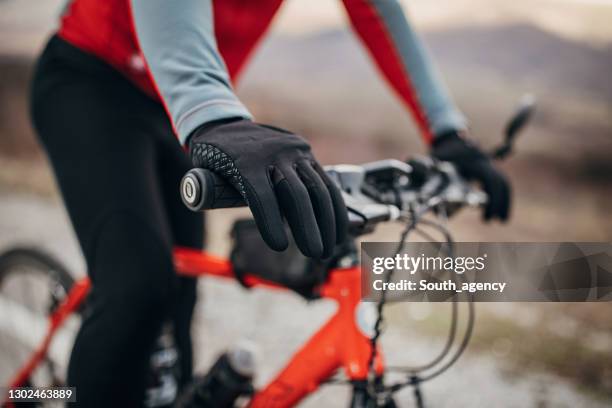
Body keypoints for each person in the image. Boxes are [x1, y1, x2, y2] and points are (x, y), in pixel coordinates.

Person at [30, 0, 510, 405]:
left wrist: (446, 129)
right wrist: (212, 113)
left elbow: (377, 10)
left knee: (178, 296)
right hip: (92, 82)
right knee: (138, 284)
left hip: (174, 108)